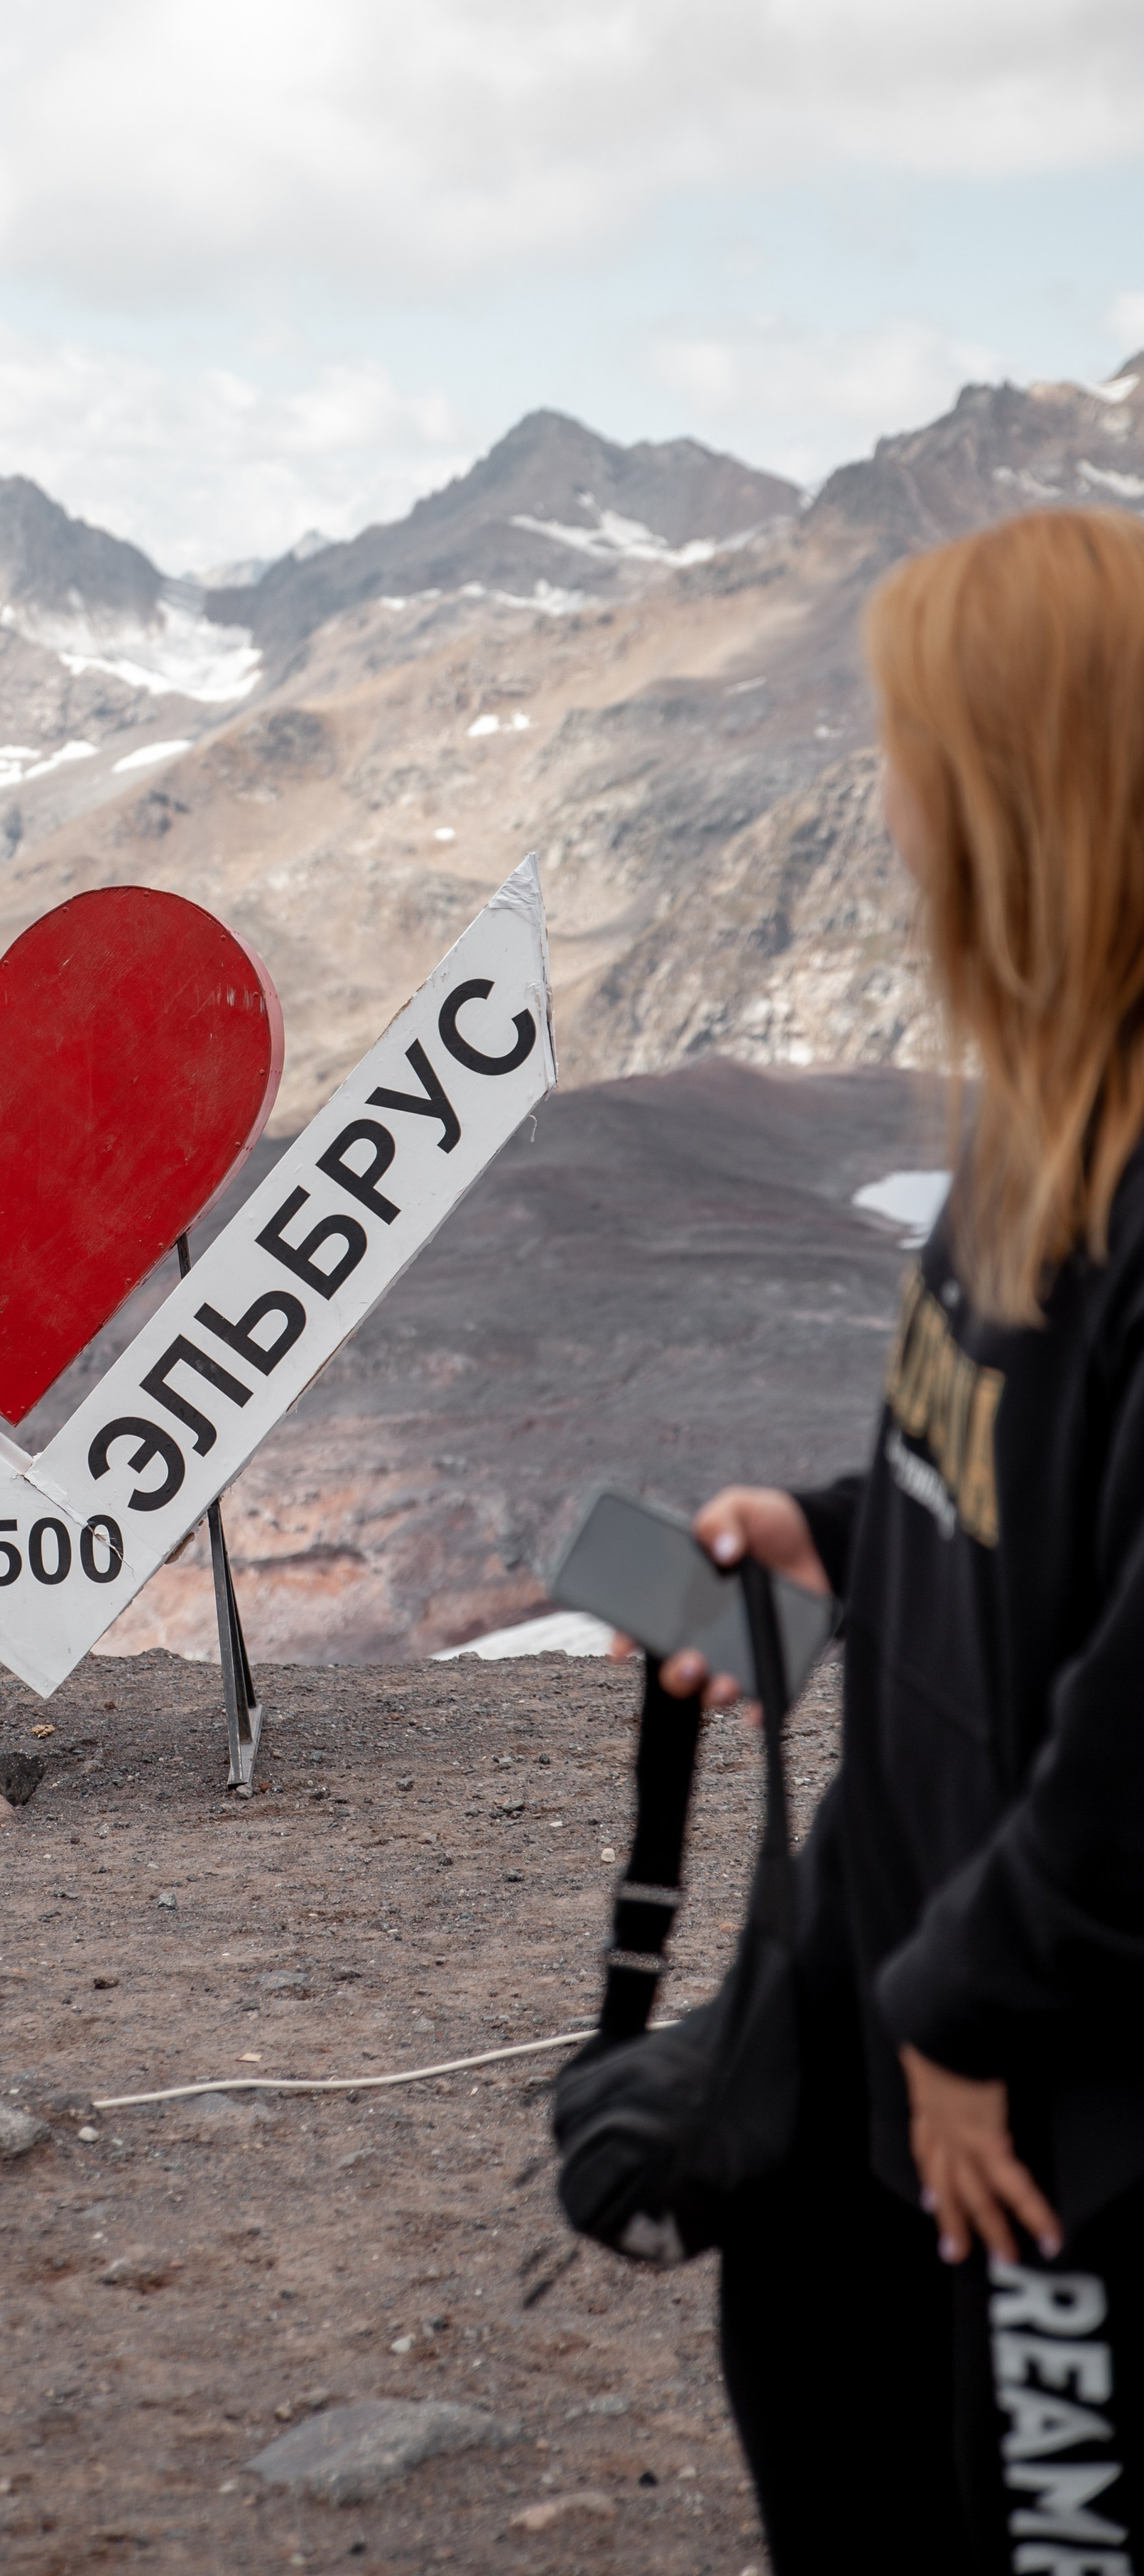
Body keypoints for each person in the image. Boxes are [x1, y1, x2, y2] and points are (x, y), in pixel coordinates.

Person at [656, 506, 1144, 2572]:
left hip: (1062, 2100)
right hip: (918, 1982)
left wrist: (968, 2011)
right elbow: (1025, 1489)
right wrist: (845, 1531)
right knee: (843, 2443)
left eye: (911, 755)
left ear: (1029, 796)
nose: (886, 804)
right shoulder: (1048, 1128)